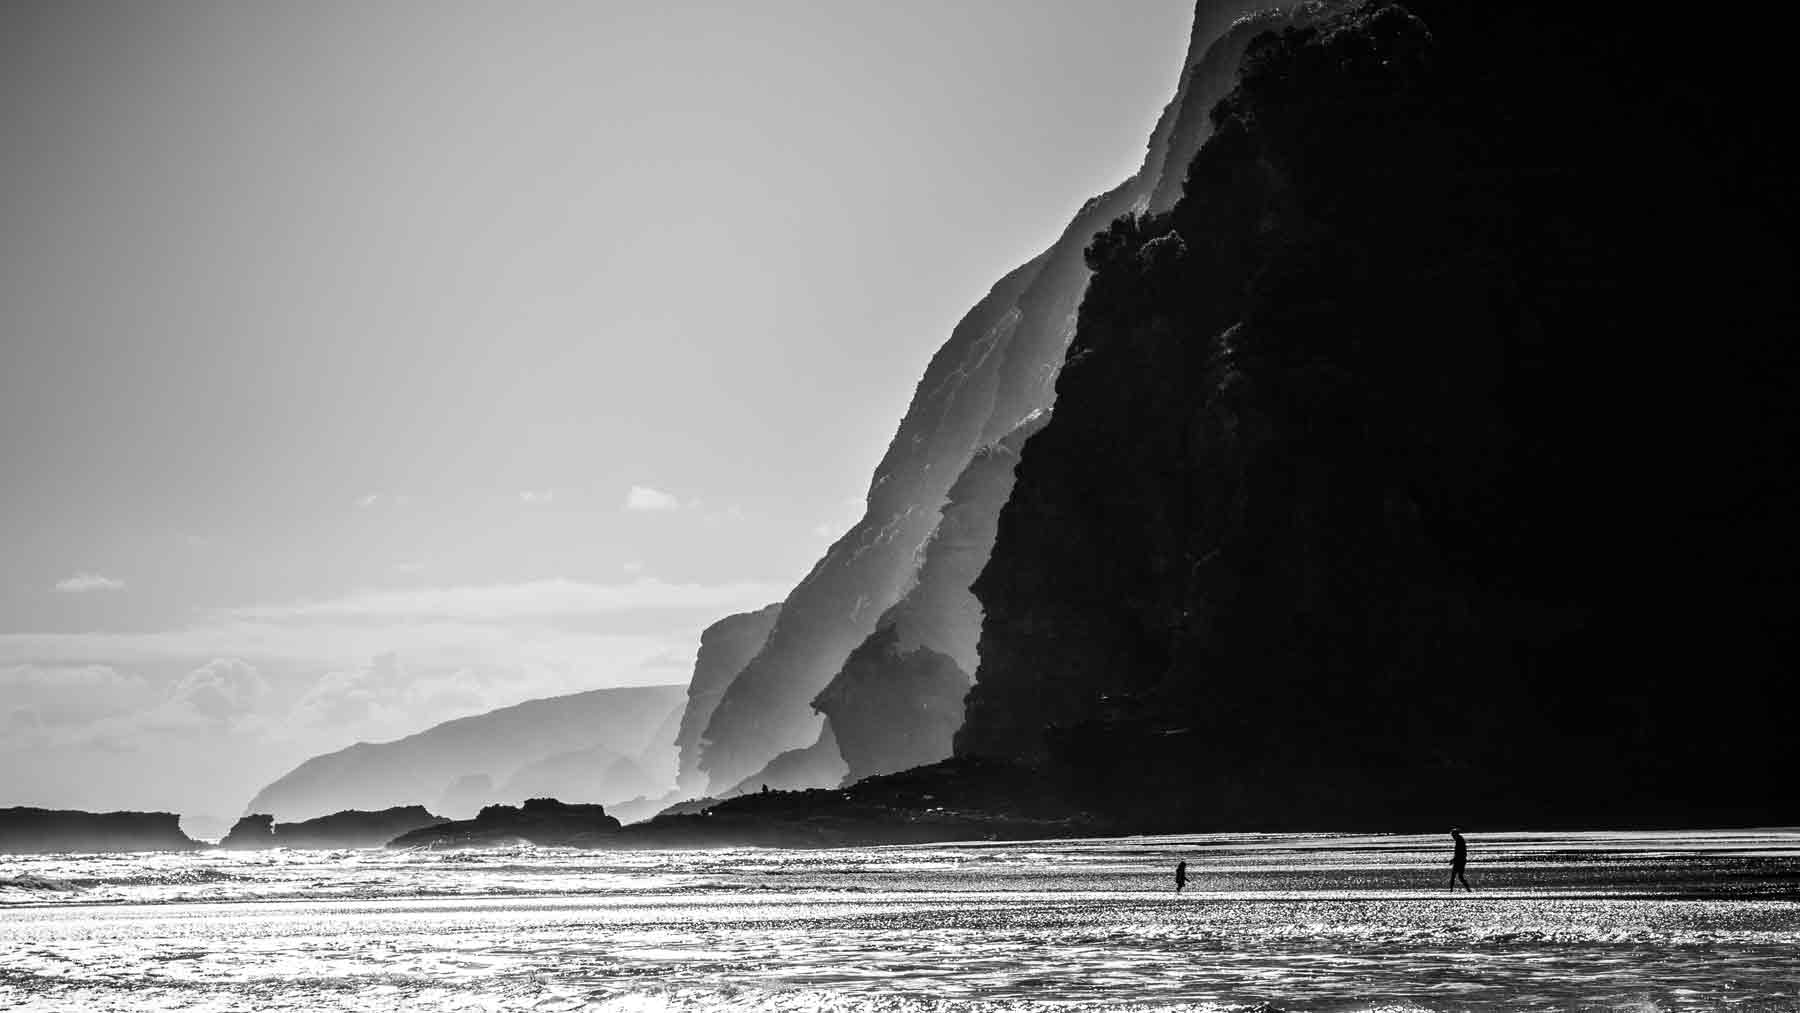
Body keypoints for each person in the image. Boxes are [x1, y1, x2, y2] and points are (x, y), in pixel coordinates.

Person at [1449, 828, 1472, 892]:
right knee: (1459, 876)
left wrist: (1454, 860)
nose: (1452, 837)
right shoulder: (1460, 840)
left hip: (1459, 861)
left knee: (1454, 876)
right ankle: (1468, 889)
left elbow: (1459, 852)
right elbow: (1459, 852)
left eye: (1453, 835)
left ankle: (1451, 890)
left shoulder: (1459, 840)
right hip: (1461, 860)